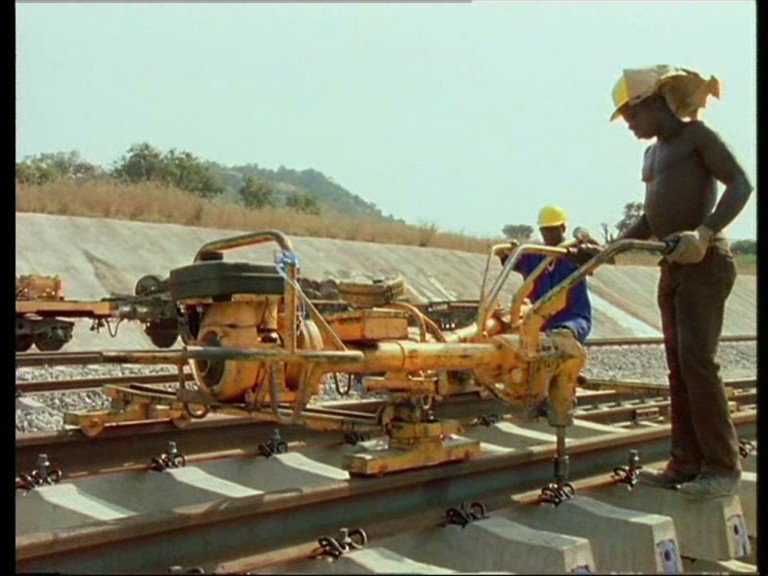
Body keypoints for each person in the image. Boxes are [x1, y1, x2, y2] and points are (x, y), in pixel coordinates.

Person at [609, 65, 753, 498]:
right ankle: (685, 462)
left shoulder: (697, 137)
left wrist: (705, 233)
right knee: (678, 366)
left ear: (653, 103)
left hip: (706, 262)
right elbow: (651, 218)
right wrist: (611, 247)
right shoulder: (652, 155)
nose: (629, 126)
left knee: (698, 361)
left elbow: (741, 184)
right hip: (672, 266)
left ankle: (722, 467)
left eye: (632, 116)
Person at [499, 205, 597, 345]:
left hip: (572, 318)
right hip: (538, 321)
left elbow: (598, 256)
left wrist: (585, 243)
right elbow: (513, 262)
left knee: (561, 335)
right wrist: (506, 254)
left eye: (553, 229)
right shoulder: (536, 256)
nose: (549, 234)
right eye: (545, 230)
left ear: (563, 228)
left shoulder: (575, 255)